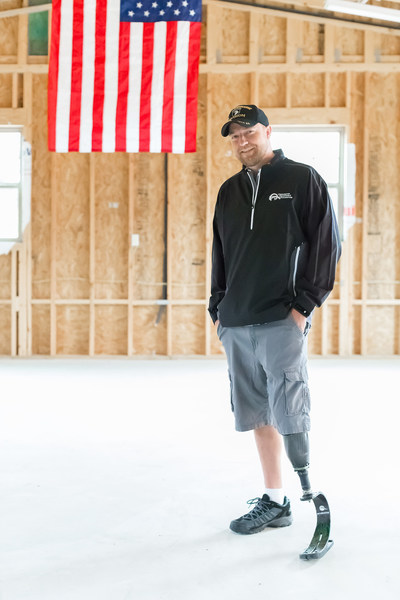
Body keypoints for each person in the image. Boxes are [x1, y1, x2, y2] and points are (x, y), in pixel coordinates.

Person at [208, 104, 341, 535]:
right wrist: (217, 307)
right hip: (237, 321)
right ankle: (275, 499)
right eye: (234, 135)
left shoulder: (302, 180)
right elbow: (220, 254)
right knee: (258, 413)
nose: (241, 141)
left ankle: (308, 492)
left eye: (248, 132)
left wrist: (303, 306)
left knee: (290, 409)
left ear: (268, 132)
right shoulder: (229, 191)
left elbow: (326, 245)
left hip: (281, 319)